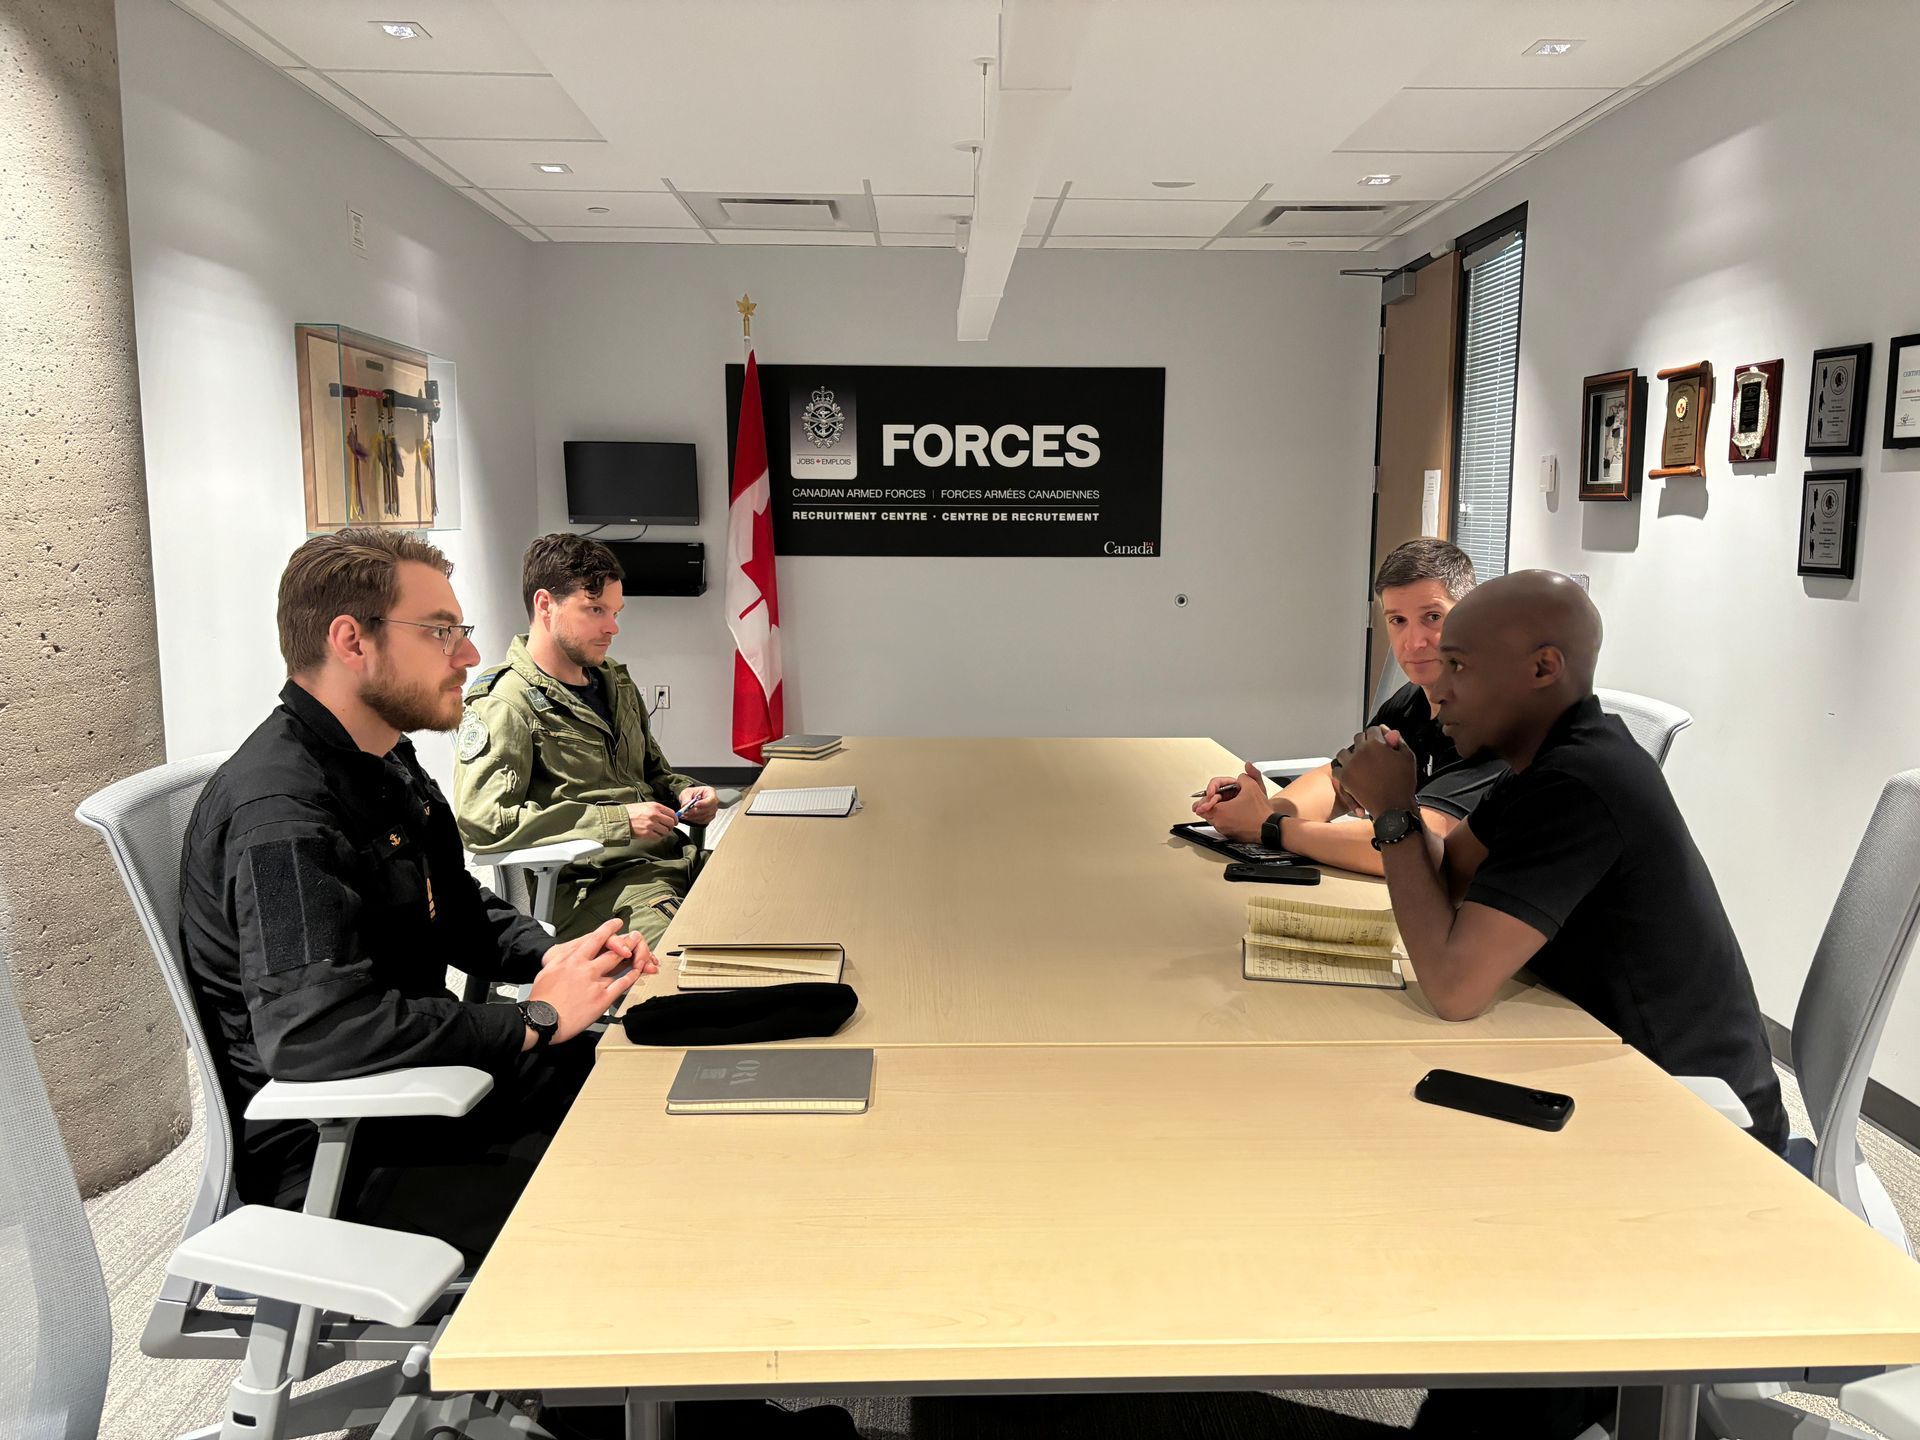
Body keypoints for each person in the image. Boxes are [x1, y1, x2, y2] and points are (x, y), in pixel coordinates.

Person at [1334, 569, 1787, 1439]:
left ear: (1542, 670)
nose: (1435, 691)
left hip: (1689, 1130)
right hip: (1614, 1080)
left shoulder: (1580, 783)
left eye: (1459, 665)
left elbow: (1458, 987)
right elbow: (1454, 876)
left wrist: (1394, 815)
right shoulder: (1550, 760)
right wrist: (1401, 829)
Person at [179, 528, 652, 1261]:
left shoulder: (380, 757)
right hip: (347, 1159)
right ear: (350, 640)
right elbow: (316, 1033)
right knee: (637, 1213)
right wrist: (532, 1017)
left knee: (640, 1087)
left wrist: (566, 955)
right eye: (440, 633)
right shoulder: (281, 814)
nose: (468, 654)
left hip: (424, 1091)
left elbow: (457, 908)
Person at [454, 533, 718, 946]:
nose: (612, 627)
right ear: (545, 605)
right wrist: (618, 821)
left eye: (614, 611)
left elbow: (654, 774)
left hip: (671, 860)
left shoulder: (614, 682)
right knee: (694, 961)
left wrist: (687, 794)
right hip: (595, 887)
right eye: (595, 609)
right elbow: (483, 824)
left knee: (770, 902)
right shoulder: (505, 703)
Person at [1194, 538, 1506, 874]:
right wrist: (1256, 812)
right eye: (1398, 621)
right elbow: (1340, 783)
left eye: (1432, 617)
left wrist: (1270, 826)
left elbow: (1422, 848)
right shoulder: (1409, 703)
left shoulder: (1491, 720)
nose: (1414, 642)